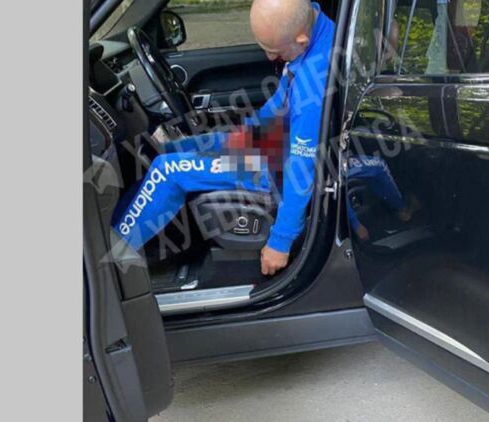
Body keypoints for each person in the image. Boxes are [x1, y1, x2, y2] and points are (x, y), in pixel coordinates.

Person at [113, 0, 334, 276]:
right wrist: (236, 137)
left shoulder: (313, 83)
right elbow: (276, 108)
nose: (269, 58)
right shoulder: (314, 23)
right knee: (169, 148)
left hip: (275, 167)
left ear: (301, 39)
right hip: (269, 142)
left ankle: (110, 261)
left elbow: (301, 168)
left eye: (274, 51)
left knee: (166, 170)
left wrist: (281, 240)